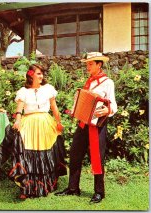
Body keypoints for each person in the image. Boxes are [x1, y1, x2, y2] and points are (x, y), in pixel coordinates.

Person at [55, 52, 118, 204]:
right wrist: (75, 109)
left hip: (97, 126)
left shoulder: (108, 82)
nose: (87, 66)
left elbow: (113, 104)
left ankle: (99, 192)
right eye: (87, 64)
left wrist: (107, 110)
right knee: (75, 154)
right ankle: (73, 188)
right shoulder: (89, 81)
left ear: (99, 64)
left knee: (97, 158)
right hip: (83, 124)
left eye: (90, 64)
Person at [9, 63, 67, 200]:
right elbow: (19, 109)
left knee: (45, 154)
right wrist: (17, 120)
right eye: (38, 73)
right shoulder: (23, 91)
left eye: (42, 73)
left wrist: (58, 122)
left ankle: (46, 185)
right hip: (29, 123)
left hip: (45, 122)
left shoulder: (48, 89)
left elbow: (54, 107)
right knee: (29, 155)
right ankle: (26, 187)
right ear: (31, 75)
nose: (41, 76)